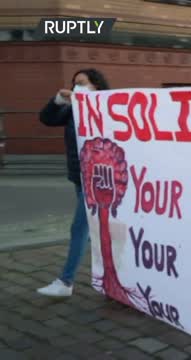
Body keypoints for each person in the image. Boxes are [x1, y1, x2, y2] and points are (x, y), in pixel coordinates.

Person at [37, 69, 110, 297]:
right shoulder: (72, 111)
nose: (77, 86)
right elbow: (47, 119)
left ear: (95, 86)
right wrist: (59, 99)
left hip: (98, 179)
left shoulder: (109, 108)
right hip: (78, 177)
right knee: (96, 230)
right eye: (74, 83)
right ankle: (114, 278)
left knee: (79, 228)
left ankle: (66, 282)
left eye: (82, 83)